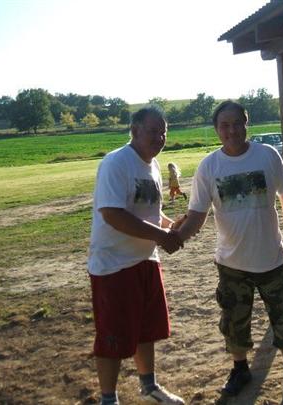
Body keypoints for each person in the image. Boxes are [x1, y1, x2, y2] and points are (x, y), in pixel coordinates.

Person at [175, 101, 283, 398]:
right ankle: (240, 369)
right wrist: (176, 237)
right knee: (234, 321)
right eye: (224, 125)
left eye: (237, 123)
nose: (232, 130)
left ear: (246, 124)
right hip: (231, 263)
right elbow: (197, 214)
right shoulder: (209, 166)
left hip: (271, 258)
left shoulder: (267, 155)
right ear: (216, 129)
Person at [87, 106, 185, 405]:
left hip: (146, 259)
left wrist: (171, 226)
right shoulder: (116, 162)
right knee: (113, 336)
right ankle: (108, 399)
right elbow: (112, 214)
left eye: (163, 132)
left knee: (146, 329)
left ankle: (149, 386)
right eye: (153, 131)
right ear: (135, 130)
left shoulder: (152, 165)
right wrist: (161, 237)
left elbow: (150, 211)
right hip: (114, 265)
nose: (160, 137)